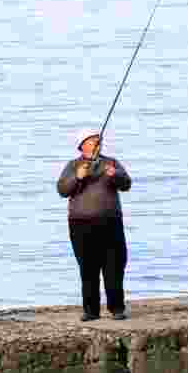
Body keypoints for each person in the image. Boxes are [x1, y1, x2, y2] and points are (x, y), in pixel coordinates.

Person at [56, 130, 132, 321]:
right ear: (82, 146)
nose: (97, 145)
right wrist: (77, 177)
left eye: (99, 141)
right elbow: (63, 190)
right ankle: (91, 311)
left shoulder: (111, 162)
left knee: (114, 266)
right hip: (81, 224)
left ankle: (117, 308)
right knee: (88, 267)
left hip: (110, 222)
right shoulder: (73, 165)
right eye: (92, 142)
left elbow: (126, 184)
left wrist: (116, 175)